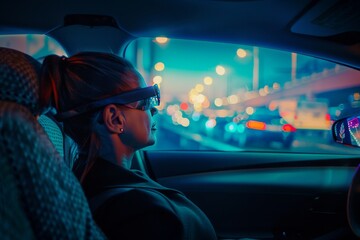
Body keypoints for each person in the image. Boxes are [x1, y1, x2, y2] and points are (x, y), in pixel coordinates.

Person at [40, 52, 217, 240]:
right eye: (147, 99)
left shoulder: (108, 183)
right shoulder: (139, 215)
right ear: (114, 118)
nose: (155, 109)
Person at [0, 47, 105, 239]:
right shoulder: (16, 128)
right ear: (113, 116)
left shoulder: (30, 130)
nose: (154, 110)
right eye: (145, 103)